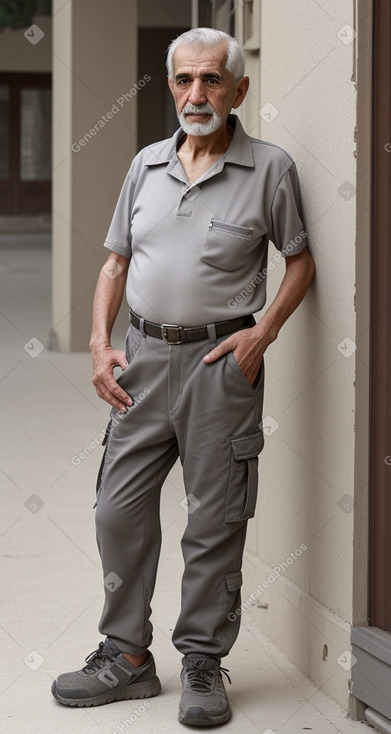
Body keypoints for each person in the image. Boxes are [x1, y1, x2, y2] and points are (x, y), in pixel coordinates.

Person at [51, 27, 315, 726]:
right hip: (139, 361)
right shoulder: (145, 165)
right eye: (182, 81)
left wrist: (263, 333)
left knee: (214, 519)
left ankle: (202, 659)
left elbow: (298, 263)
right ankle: (126, 657)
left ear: (238, 89)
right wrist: (100, 342)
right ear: (169, 86)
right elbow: (115, 263)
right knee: (117, 509)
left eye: (210, 81)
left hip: (217, 366)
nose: (195, 94)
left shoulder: (270, 169)